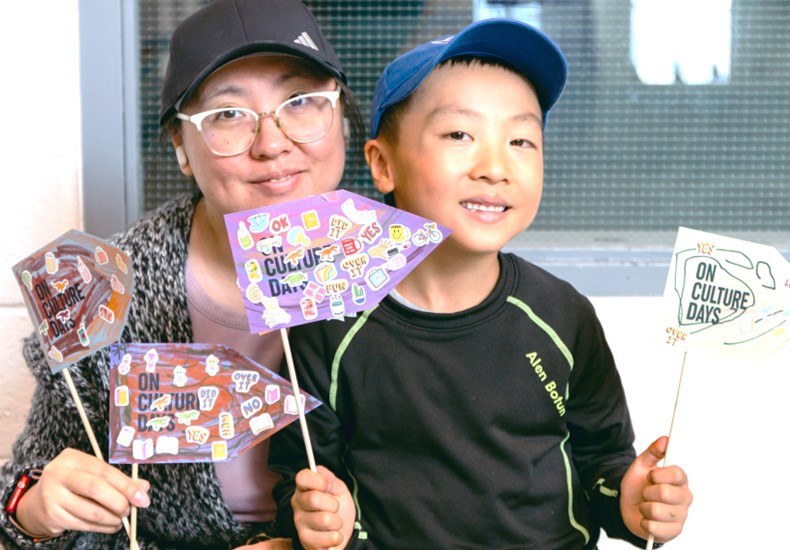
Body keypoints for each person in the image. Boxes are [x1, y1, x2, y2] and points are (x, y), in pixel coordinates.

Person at [268, 18, 693, 550]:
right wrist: (318, 518)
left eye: (521, 139)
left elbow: (603, 462)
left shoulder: (563, 315)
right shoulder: (325, 327)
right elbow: (297, 479)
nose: (495, 166)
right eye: (459, 135)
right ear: (382, 164)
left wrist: (630, 500)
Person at [0, 0, 363, 548]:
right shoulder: (102, 289)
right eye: (228, 114)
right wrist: (35, 508)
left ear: (339, 114)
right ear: (181, 148)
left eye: (301, 101)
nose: (271, 143)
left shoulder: (401, 264)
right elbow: (19, 492)